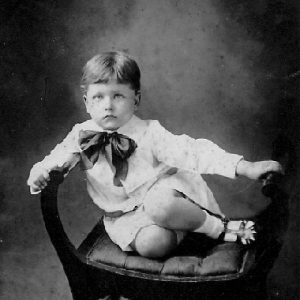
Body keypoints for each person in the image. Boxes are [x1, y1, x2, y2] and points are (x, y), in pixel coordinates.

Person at [27, 51, 283, 258]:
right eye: (98, 97)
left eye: (118, 95)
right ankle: (186, 230)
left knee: (159, 204)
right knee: (153, 246)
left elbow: (192, 151)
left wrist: (245, 167)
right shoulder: (81, 134)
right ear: (86, 102)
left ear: (135, 100)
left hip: (167, 196)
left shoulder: (149, 132)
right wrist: (41, 170)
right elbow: (57, 157)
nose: (108, 105)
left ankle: (217, 229)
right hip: (126, 217)